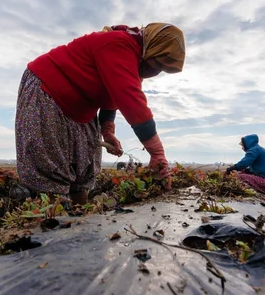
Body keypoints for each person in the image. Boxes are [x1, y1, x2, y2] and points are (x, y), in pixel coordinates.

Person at [16, 23, 185, 205]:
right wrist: (157, 153)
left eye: (161, 69)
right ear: (150, 48)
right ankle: (50, 219)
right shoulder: (118, 44)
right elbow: (132, 102)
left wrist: (107, 131)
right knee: (50, 169)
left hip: (82, 106)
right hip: (48, 91)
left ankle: (79, 218)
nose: (155, 71)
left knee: (84, 167)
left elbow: (112, 95)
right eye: (157, 64)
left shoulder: (134, 61)